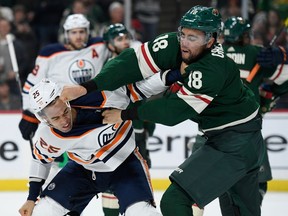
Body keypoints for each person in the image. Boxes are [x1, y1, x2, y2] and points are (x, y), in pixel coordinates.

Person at [60, 5, 266, 216]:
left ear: (210, 40)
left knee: (175, 201)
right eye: (183, 34)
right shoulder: (175, 44)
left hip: (234, 142)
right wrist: (87, 86)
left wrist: (124, 114)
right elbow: (131, 61)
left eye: (193, 37)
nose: (184, 42)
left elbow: (173, 111)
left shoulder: (212, 67)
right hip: (237, 136)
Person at [18, 76, 170, 216]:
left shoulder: (98, 97)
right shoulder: (48, 135)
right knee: (44, 211)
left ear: (66, 100)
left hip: (125, 166)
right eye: (56, 118)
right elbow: (40, 160)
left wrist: (172, 76)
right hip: (83, 170)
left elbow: (139, 88)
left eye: (65, 111)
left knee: (142, 213)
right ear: (44, 119)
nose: (64, 121)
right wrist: (31, 198)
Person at [100, 23, 155, 216]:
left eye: (126, 38)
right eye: (119, 39)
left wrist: (148, 125)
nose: (124, 42)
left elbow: (145, 98)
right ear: (109, 44)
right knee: (112, 182)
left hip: (137, 131)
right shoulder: (109, 68)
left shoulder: (139, 65)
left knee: (138, 180)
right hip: (115, 133)